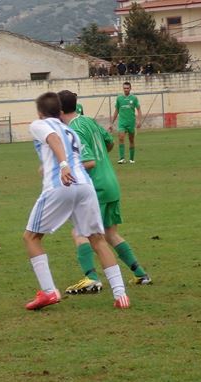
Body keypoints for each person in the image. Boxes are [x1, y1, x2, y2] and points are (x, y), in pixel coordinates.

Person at [22, 92, 130, 311]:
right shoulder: (71, 131)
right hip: (85, 186)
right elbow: (72, 153)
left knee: (31, 237)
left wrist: (62, 166)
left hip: (61, 185)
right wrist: (55, 163)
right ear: (61, 111)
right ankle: (121, 295)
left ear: (40, 112)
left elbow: (52, 139)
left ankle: (49, 292)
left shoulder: (40, 124)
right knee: (97, 239)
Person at [58, 90, 152, 294]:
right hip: (111, 182)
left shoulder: (73, 129)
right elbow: (109, 142)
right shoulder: (89, 121)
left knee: (80, 232)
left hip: (96, 187)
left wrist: (65, 171)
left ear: (60, 109)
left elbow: (88, 162)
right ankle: (140, 274)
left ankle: (90, 277)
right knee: (110, 233)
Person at [111, 82, 142, 164]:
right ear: (123, 89)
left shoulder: (134, 98)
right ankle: (122, 158)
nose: (126, 89)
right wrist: (112, 123)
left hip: (131, 122)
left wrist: (139, 121)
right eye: (124, 88)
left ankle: (131, 159)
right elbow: (116, 110)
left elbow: (138, 110)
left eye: (127, 88)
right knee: (121, 138)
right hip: (122, 122)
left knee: (131, 140)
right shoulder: (119, 98)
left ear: (130, 89)